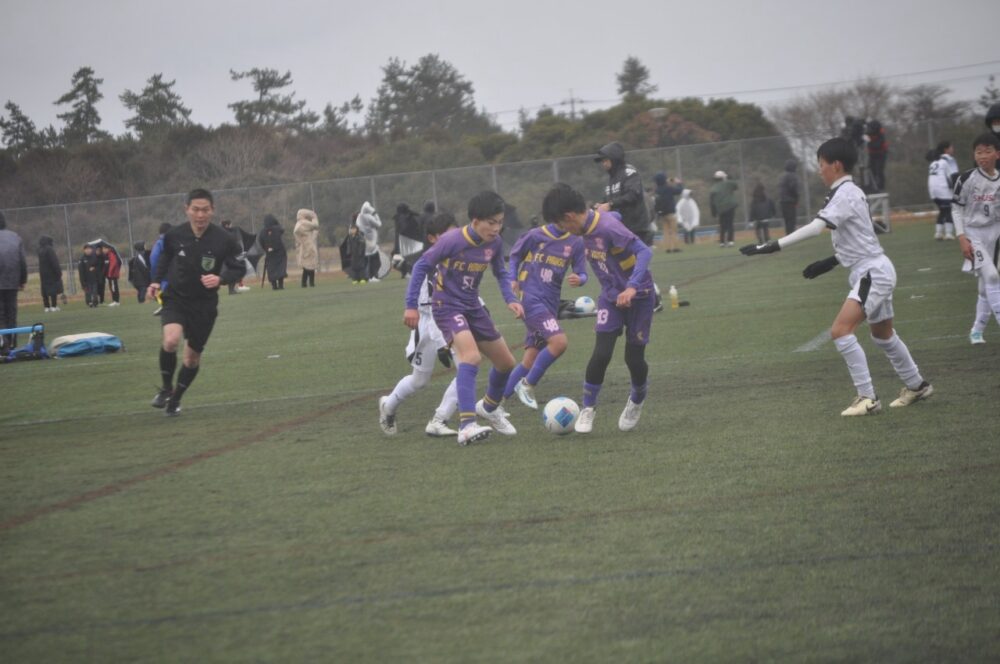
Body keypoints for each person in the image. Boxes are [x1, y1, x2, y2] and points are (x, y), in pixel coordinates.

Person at [740, 137, 933, 416]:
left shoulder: (845, 193)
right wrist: (831, 261)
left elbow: (815, 227)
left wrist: (771, 246)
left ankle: (867, 398)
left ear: (836, 165)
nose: (819, 170)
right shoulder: (849, 192)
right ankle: (917, 385)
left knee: (841, 331)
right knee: (882, 335)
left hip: (872, 272)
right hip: (873, 268)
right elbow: (858, 237)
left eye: (821, 164)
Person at [403, 190, 523, 445]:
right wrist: (410, 306)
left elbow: (501, 273)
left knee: (506, 363)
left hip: (472, 306)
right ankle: (467, 425)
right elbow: (421, 266)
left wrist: (511, 299)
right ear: (475, 221)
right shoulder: (452, 240)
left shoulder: (494, 243)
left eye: (500, 222)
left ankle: (488, 407)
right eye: (491, 222)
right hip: (446, 306)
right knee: (471, 357)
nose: (496, 228)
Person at [543, 183, 655, 433]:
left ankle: (637, 398)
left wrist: (632, 287)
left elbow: (644, 252)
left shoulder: (606, 227)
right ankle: (588, 408)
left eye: (561, 225)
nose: (563, 230)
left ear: (569, 216)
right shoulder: (590, 224)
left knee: (633, 359)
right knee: (601, 353)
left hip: (639, 296)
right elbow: (616, 215)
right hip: (610, 297)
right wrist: (610, 212)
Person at [147, 188, 246, 416]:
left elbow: (239, 267)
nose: (200, 215)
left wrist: (221, 279)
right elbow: (165, 258)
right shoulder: (174, 235)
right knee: (170, 340)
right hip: (176, 298)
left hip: (204, 305)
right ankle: (166, 388)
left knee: (191, 359)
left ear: (212, 210)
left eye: (205, 210)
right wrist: (155, 281)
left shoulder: (225, 239)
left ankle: (175, 400)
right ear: (187, 209)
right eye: (195, 210)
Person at [379, 212, 463, 437]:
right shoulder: (429, 261)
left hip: (449, 320)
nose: (454, 237)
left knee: (466, 368)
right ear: (433, 238)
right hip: (429, 323)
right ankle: (388, 406)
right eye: (447, 234)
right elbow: (427, 300)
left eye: (456, 232)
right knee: (420, 380)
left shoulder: (460, 256)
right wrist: (441, 342)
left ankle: (440, 419)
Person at [501, 209, 588, 409]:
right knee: (559, 342)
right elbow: (514, 256)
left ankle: (493, 404)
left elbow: (582, 272)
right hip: (530, 298)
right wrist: (512, 278)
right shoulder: (535, 235)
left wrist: (580, 279)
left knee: (530, 360)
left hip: (550, 303)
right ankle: (527, 385)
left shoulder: (576, 241)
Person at [951, 133, 1000, 345]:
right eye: (979, 152)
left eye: (987, 151)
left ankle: (976, 331)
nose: (983, 156)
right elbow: (956, 209)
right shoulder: (966, 179)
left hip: (995, 233)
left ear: (997, 154)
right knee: (992, 277)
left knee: (984, 286)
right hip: (973, 234)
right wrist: (962, 237)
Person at [594, 142, 652, 245]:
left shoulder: (629, 172)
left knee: (638, 255)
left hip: (635, 228)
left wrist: (610, 204)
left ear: (614, 158)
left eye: (606, 160)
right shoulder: (611, 178)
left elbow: (633, 194)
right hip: (620, 228)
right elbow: (608, 199)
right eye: (602, 161)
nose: (604, 164)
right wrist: (601, 205)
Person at [0, 212, 28, 352]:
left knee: (1, 315)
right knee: (11, 313)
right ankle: (12, 343)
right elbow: (22, 261)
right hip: (12, 281)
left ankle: (3, 344)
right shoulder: (15, 237)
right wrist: (22, 280)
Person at [927, 141, 959, 241]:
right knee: (949, 210)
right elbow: (953, 175)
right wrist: (957, 188)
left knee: (942, 210)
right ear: (946, 149)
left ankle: (938, 233)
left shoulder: (933, 162)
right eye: (951, 147)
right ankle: (948, 233)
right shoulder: (948, 159)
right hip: (943, 189)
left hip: (933, 191)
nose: (953, 149)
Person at [653, 172, 684, 253]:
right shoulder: (668, 188)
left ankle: (667, 248)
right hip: (671, 213)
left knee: (666, 232)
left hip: (662, 214)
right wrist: (679, 183)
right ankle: (675, 247)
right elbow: (679, 191)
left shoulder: (657, 190)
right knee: (674, 231)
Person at [710, 170, 740, 247]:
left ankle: (722, 242)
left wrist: (713, 212)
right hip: (730, 206)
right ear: (723, 177)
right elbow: (736, 186)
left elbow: (712, 202)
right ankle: (730, 241)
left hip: (720, 209)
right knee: (730, 224)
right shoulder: (728, 183)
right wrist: (728, 178)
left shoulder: (713, 188)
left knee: (722, 225)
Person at [392, 203, 423, 278]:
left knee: (400, 257)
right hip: (408, 241)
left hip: (402, 241)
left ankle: (406, 272)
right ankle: (407, 272)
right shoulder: (408, 217)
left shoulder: (399, 218)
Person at [259, 214, 288, 290]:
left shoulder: (262, 232)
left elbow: (261, 241)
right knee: (281, 268)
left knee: (271, 269)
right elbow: (282, 230)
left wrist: (266, 249)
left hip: (269, 253)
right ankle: (281, 285)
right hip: (280, 252)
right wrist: (277, 223)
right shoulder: (277, 229)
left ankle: (274, 285)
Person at [149, 222, 172, 315]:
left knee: (164, 290)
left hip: (162, 273)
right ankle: (166, 307)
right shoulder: (171, 242)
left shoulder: (159, 243)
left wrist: (155, 275)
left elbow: (153, 259)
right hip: (170, 272)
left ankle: (166, 307)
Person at [294, 208, 320, 287]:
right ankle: (309, 282)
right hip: (308, 246)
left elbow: (311, 233)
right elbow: (315, 226)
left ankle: (305, 283)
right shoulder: (303, 223)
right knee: (310, 266)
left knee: (308, 266)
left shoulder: (298, 224)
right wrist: (314, 217)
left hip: (304, 246)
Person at [357, 201, 382, 282]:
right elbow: (379, 224)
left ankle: (366, 276)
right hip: (371, 241)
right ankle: (372, 276)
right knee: (375, 260)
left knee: (366, 260)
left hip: (364, 240)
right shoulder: (369, 217)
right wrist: (375, 214)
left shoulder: (359, 217)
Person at [37, 235, 63, 312]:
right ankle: (54, 306)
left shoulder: (39, 250)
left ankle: (46, 307)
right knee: (53, 290)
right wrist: (58, 272)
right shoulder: (49, 249)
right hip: (51, 273)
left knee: (44, 290)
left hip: (43, 274)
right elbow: (54, 262)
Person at [866, 120, 888, 193]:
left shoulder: (881, 135)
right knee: (871, 170)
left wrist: (870, 143)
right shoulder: (869, 134)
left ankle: (881, 187)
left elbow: (877, 145)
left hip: (881, 154)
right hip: (872, 154)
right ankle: (871, 185)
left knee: (879, 170)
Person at [778, 159, 799, 235]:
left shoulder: (782, 177)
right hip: (790, 201)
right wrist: (796, 199)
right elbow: (793, 188)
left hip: (783, 201)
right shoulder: (793, 176)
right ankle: (791, 236)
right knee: (791, 221)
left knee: (786, 221)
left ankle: (788, 235)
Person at [77, 244, 100, 308]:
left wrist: (94, 268)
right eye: (86, 249)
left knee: (95, 292)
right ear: (84, 250)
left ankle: (95, 303)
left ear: (92, 250)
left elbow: (98, 266)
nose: (88, 250)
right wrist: (82, 282)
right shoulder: (82, 259)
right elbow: (81, 272)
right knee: (88, 292)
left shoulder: (95, 257)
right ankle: (89, 302)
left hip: (94, 279)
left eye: (89, 249)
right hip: (86, 280)